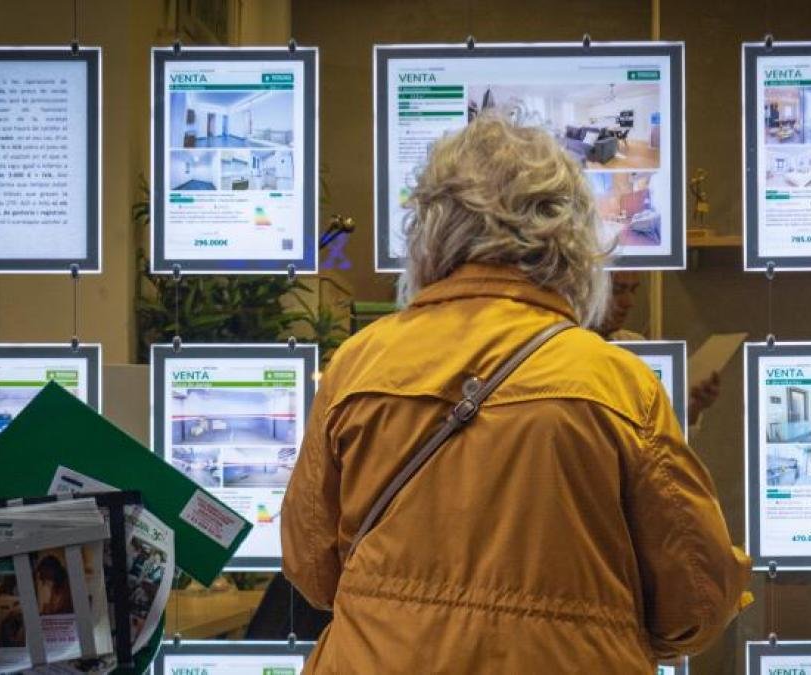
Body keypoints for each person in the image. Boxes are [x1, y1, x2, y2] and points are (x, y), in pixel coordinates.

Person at [281, 114, 750, 673]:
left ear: (429, 229)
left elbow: (311, 568)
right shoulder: (615, 383)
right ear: (571, 238)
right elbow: (694, 603)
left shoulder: (359, 364)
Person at [596, 270, 721, 428]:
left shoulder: (637, 346)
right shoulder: (569, 349)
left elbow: (663, 427)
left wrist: (693, 407)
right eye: (617, 291)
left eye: (633, 290)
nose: (629, 302)